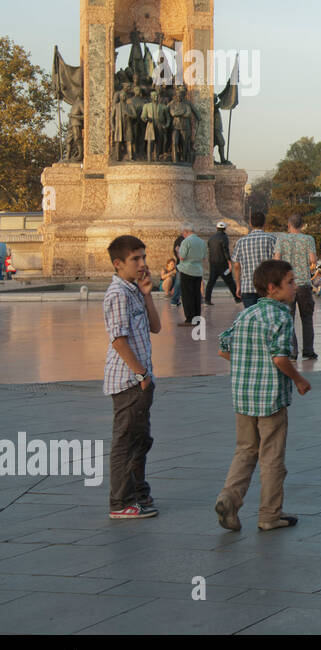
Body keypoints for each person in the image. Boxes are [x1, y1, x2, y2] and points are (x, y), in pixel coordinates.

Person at [214, 258, 309, 532]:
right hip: (270, 401)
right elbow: (280, 359)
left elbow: (223, 348)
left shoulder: (248, 313)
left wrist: (247, 361)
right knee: (272, 457)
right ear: (272, 288)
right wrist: (300, 380)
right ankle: (269, 514)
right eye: (290, 282)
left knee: (245, 451)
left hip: (243, 399)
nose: (295, 287)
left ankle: (228, 498)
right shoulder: (281, 317)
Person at [103, 235, 162, 519]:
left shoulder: (134, 290)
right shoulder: (117, 293)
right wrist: (140, 373)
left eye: (143, 257)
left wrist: (148, 293)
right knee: (125, 441)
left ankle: (139, 493)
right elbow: (118, 340)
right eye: (135, 259)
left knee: (140, 440)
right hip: (129, 380)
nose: (142, 264)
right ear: (118, 264)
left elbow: (156, 327)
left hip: (141, 377)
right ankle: (120, 502)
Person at [273, 213, 318, 360]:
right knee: (307, 318)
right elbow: (312, 260)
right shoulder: (308, 239)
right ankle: (308, 351)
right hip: (304, 283)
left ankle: (292, 352)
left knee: (288, 318)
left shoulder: (282, 239)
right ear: (302, 225)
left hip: (287, 285)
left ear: (289, 225)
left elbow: (276, 259)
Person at [230, 211, 278, 310]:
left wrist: (238, 285)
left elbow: (236, 266)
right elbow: (277, 262)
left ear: (250, 223)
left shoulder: (241, 242)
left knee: (252, 317)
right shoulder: (272, 239)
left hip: (247, 286)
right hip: (267, 287)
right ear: (264, 223)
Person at [176, 221, 207, 326]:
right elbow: (203, 257)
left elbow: (182, 257)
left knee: (187, 295)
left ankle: (189, 319)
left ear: (186, 231)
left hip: (186, 270)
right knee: (196, 295)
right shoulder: (202, 242)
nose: (182, 235)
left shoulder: (186, 242)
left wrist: (178, 250)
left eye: (182, 233)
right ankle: (197, 318)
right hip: (198, 271)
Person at [204, 221, 238, 305]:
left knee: (211, 282)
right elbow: (225, 250)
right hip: (223, 264)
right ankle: (237, 298)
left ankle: (207, 300)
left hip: (213, 264)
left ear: (216, 228)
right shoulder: (224, 237)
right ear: (225, 229)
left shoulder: (211, 238)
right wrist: (229, 262)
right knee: (230, 282)